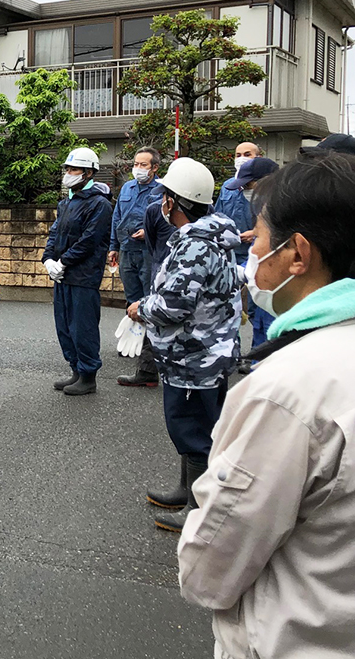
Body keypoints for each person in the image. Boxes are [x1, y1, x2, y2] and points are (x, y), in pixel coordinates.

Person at [178, 153, 355, 659]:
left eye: (262, 240)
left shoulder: (287, 390)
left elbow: (210, 568)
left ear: (298, 254)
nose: (252, 252)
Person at [127, 157, 242, 532]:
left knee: (192, 429)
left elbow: (173, 306)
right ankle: (186, 489)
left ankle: (198, 509)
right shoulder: (218, 236)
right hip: (212, 352)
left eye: (166, 196)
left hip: (192, 357)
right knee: (201, 427)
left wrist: (139, 308)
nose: (162, 202)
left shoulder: (193, 245)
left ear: (175, 202)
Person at [42, 147, 112, 396]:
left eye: (74, 169)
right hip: (64, 276)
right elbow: (55, 232)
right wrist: (48, 259)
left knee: (83, 327)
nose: (68, 173)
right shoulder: (67, 202)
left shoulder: (99, 204)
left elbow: (90, 240)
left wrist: (64, 262)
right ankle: (76, 369)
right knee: (64, 325)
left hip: (83, 275)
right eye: (67, 169)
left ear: (88, 172)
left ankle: (88, 375)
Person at [108, 147, 164, 387]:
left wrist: (149, 232)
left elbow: (165, 220)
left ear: (155, 168)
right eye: (136, 164)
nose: (138, 168)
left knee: (148, 297)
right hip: (127, 249)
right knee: (131, 297)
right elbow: (116, 216)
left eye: (144, 164)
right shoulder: (128, 188)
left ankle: (151, 352)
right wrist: (113, 246)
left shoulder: (162, 190)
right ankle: (134, 341)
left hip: (148, 252)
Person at [215, 156, 279, 357]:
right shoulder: (262, 206)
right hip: (258, 280)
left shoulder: (286, 212)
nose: (245, 190)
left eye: (249, 184)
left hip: (276, 286)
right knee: (257, 322)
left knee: (271, 332)